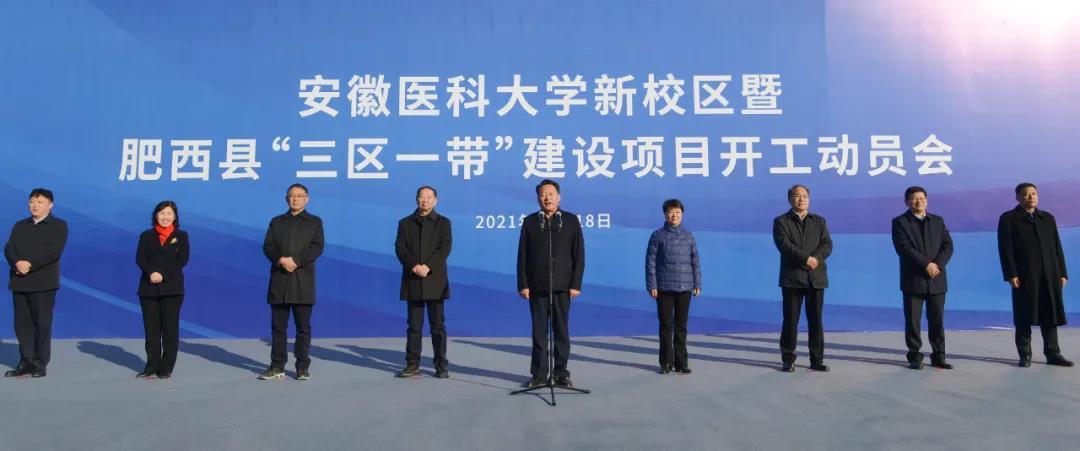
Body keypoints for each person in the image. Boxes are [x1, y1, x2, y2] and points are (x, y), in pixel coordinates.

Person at [517, 179, 585, 388]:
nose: (547, 198)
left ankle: (561, 373)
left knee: (561, 331)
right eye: (543, 194)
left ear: (559, 197)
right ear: (538, 198)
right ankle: (539, 374)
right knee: (539, 333)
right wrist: (523, 284)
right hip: (537, 286)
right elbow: (522, 255)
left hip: (563, 286)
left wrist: (575, 284)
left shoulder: (570, 221)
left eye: (551, 194)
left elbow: (579, 255)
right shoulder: (530, 222)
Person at [997, 182, 1073, 368]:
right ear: (1018, 197)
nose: (1031, 197)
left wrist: (1062, 272)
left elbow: (1057, 247)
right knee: (1024, 315)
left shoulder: (1047, 218)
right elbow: (1005, 248)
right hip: (1024, 275)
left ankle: (1053, 353)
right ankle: (1025, 355)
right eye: (1026, 194)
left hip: (1050, 274)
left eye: (1034, 193)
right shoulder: (1009, 218)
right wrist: (1011, 273)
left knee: (1050, 314)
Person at [259, 183, 324, 380]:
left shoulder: (314, 222)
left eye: (299, 195)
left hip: (302, 281)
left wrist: (296, 261)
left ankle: (302, 367)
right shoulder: (277, 221)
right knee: (278, 328)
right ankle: (277, 366)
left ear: (307, 199)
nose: (295, 199)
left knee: (303, 328)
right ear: (286, 198)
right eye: (291, 195)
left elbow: (317, 247)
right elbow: (268, 246)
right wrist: (280, 259)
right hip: (279, 280)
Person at [4, 188, 68, 378]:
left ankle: (40, 363)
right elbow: (9, 248)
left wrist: (30, 265)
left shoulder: (58, 225)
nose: (35, 205)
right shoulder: (20, 225)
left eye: (40, 202)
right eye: (32, 201)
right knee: (21, 325)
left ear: (50, 205)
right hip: (20, 281)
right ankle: (26, 361)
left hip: (43, 283)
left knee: (42, 324)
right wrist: (17, 263)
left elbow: (53, 252)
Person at [891, 186, 954, 370]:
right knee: (913, 321)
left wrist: (937, 265)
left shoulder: (937, 221)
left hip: (937, 278)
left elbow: (948, 246)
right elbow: (903, 248)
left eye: (922, 198)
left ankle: (939, 356)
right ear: (907, 202)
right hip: (913, 279)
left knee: (937, 321)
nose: (918, 201)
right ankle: (915, 356)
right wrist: (926, 264)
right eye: (914, 198)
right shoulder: (900, 222)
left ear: (926, 200)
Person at [394, 186, 453, 378]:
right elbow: (400, 248)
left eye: (429, 197)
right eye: (422, 197)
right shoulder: (405, 223)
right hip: (413, 280)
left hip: (435, 280)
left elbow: (444, 248)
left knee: (438, 326)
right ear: (417, 199)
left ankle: (441, 365)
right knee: (414, 326)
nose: (425, 200)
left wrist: (428, 266)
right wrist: (414, 266)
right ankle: (412, 364)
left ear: (435, 201)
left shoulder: (443, 223)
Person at [772, 184, 832, 373]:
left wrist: (816, 258)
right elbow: (784, 245)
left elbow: (827, 244)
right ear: (790, 199)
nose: (801, 199)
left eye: (805, 196)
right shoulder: (781, 221)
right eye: (797, 196)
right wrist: (806, 259)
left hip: (816, 278)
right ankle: (788, 359)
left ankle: (817, 360)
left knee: (816, 321)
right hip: (793, 278)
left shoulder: (819, 221)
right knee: (791, 321)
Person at [134, 200, 190, 379]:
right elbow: (140, 258)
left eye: (169, 214)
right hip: (148, 289)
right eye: (162, 213)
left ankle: (166, 367)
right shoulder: (146, 236)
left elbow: (182, 260)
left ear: (175, 217)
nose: (165, 217)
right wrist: (151, 272)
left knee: (170, 330)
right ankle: (151, 365)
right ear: (156, 215)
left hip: (172, 289)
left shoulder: (181, 236)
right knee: (151, 331)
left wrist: (162, 274)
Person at [645, 199, 701, 374]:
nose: (674, 215)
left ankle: (681, 363)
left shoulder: (689, 236)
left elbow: (695, 261)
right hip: (664, 287)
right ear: (665, 214)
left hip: (685, 287)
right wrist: (652, 285)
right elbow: (650, 262)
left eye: (677, 212)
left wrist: (697, 283)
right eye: (671, 212)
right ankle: (666, 363)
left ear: (682, 214)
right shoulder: (657, 235)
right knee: (666, 326)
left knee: (681, 327)